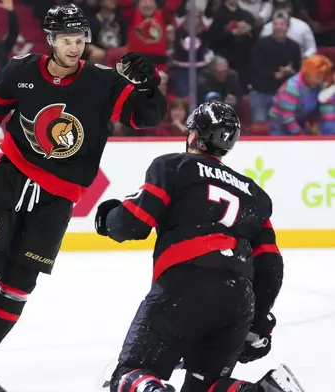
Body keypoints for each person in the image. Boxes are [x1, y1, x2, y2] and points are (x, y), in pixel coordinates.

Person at [0, 2, 167, 388]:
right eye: (67, 40)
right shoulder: (21, 71)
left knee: (21, 278)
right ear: (52, 40)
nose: (75, 48)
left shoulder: (101, 82)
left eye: (80, 40)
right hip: (11, 178)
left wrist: (147, 86)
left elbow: (147, 117)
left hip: (58, 197)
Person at [94, 102, 301, 392]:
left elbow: (135, 223)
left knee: (130, 373)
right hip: (238, 298)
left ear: (193, 134)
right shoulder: (254, 193)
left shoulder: (174, 166)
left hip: (185, 284)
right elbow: (270, 264)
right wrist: (260, 319)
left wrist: (108, 219)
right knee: (207, 386)